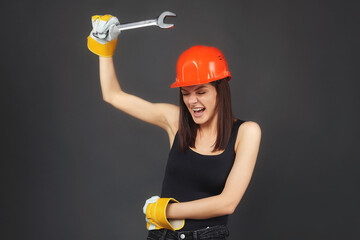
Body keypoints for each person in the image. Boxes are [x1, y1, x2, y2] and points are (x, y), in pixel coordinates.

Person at [88, 15, 261, 240]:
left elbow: (227, 203)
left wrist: (163, 211)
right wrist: (104, 48)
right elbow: (113, 95)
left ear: (221, 89)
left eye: (201, 92)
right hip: (162, 236)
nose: (193, 101)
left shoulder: (247, 132)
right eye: (186, 93)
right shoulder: (175, 120)